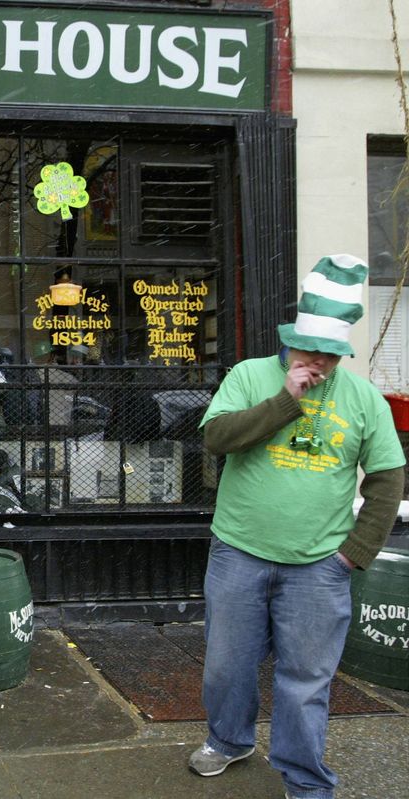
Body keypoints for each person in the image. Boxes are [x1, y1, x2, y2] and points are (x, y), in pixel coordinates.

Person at [189, 255, 405, 799]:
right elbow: (218, 439)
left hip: (319, 565)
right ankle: (229, 740)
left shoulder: (363, 400)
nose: (322, 363)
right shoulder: (249, 375)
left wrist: (355, 552)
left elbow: (387, 476)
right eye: (312, 351)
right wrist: (287, 400)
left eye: (332, 355)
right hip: (239, 551)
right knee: (226, 667)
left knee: (306, 683)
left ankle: (305, 779)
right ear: (289, 343)